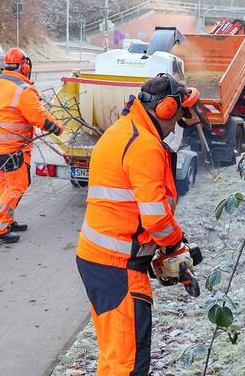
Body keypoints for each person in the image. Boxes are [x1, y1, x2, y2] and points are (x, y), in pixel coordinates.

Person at [76, 74, 199, 375]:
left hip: (101, 261)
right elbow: (156, 217)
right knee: (127, 364)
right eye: (176, 117)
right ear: (166, 108)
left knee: (115, 354)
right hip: (118, 267)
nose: (174, 128)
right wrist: (175, 242)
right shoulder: (144, 145)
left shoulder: (123, 129)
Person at [0, 47, 61, 243]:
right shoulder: (23, 91)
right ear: (24, 67)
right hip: (13, 148)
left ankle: (6, 220)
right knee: (17, 186)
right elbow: (39, 118)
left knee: (3, 185)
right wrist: (58, 128)